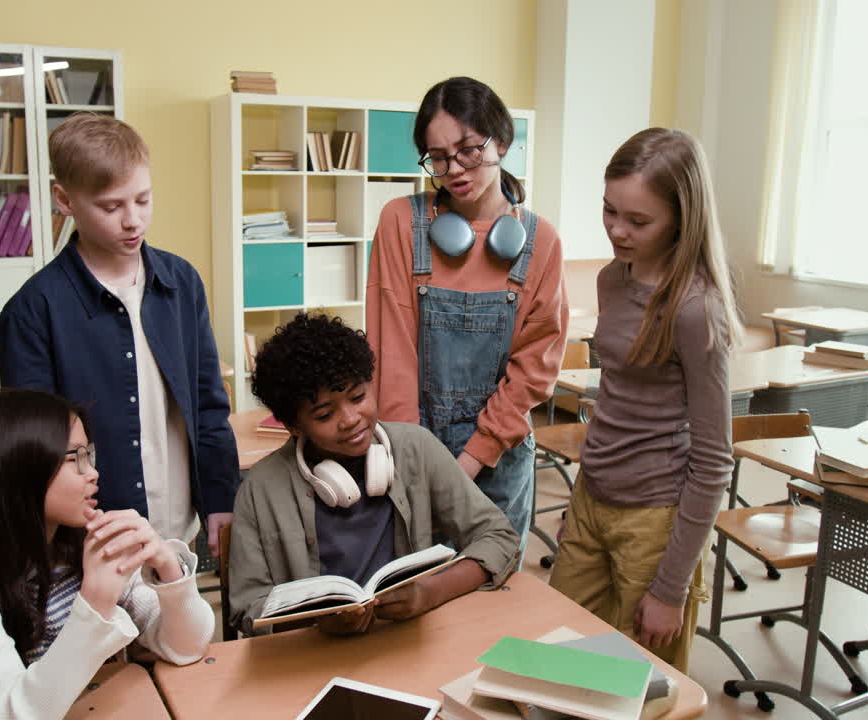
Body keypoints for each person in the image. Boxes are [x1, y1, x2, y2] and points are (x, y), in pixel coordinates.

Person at [0, 113, 239, 555]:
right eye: (111, 207)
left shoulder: (181, 282)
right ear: (65, 200)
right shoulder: (31, 311)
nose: (133, 220)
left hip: (178, 522)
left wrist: (222, 496)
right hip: (94, 538)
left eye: (143, 200)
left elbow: (208, 403)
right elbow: (36, 451)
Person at [0, 389, 213, 720]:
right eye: (75, 458)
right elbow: (15, 713)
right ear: (20, 469)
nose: (92, 473)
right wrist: (96, 603)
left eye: (88, 455)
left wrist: (167, 568)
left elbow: (185, 647)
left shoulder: (81, 538)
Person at [548, 128, 740, 672]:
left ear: (682, 218)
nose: (616, 230)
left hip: (655, 519)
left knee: (637, 688)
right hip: (593, 497)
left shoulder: (695, 308)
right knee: (562, 664)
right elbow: (616, 402)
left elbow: (712, 460)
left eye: (638, 221)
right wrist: (580, 500)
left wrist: (672, 588)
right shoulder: (613, 279)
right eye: (609, 211)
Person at [366, 76, 569, 546]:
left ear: (500, 141)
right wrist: (418, 466)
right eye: (437, 157)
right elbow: (390, 356)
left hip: (500, 460)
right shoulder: (400, 222)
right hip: (415, 455)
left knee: (493, 606)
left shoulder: (542, 243)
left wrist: (471, 459)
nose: (453, 169)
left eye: (468, 150)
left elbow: (533, 373)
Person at [228, 313, 519, 635]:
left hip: (408, 637)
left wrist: (431, 593)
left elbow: (498, 537)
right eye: (325, 414)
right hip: (311, 655)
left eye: (358, 397)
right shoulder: (261, 488)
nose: (351, 419)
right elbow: (247, 606)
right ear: (294, 426)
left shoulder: (416, 449)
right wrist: (313, 621)